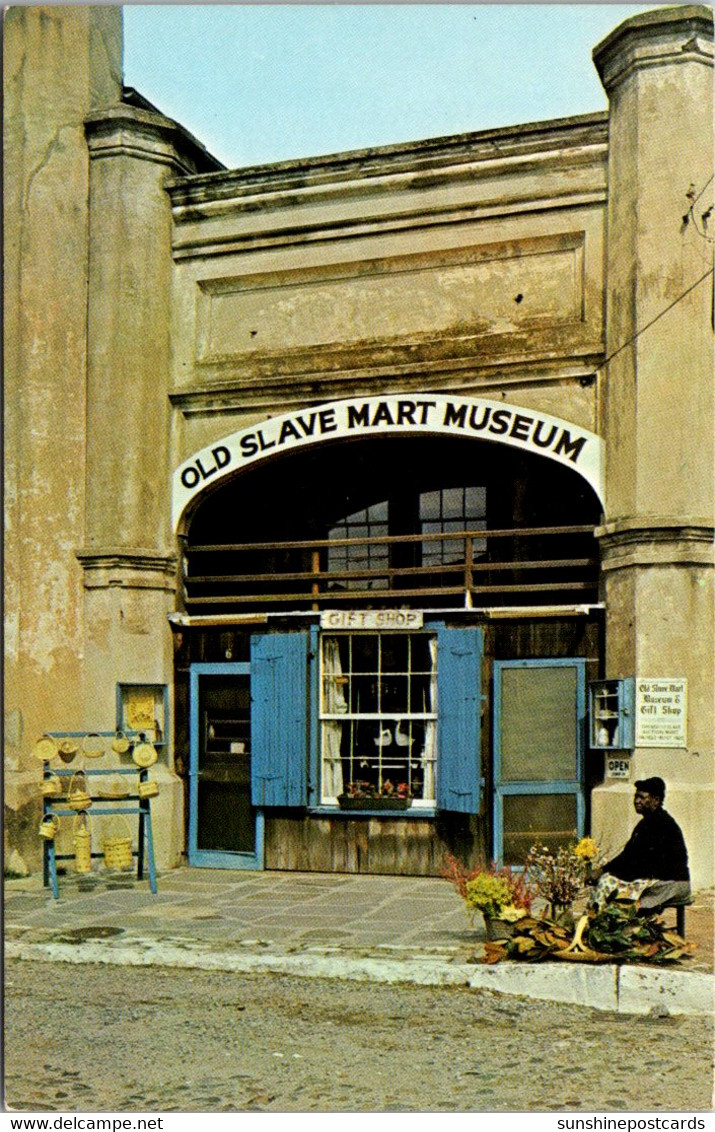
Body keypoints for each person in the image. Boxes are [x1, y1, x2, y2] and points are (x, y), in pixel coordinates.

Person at [591, 777, 691, 912]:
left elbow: (643, 863)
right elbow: (627, 855)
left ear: (656, 801)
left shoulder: (663, 824)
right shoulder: (644, 824)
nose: (636, 801)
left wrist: (612, 873)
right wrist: (603, 870)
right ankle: (599, 922)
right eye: (636, 796)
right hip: (654, 878)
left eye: (642, 797)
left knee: (613, 889)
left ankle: (616, 925)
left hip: (671, 883)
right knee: (606, 881)